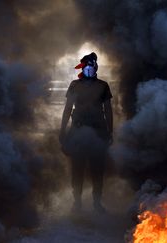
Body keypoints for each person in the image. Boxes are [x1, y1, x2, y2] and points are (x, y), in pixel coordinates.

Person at [59, 52, 113, 213]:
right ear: (82, 67)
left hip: (98, 131)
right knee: (78, 168)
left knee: (98, 168)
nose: (90, 68)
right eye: (87, 65)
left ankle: (97, 202)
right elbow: (68, 108)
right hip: (78, 131)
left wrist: (110, 131)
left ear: (96, 67)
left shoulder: (103, 86)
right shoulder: (75, 85)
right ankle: (77, 202)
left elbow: (108, 110)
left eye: (93, 65)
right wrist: (63, 130)